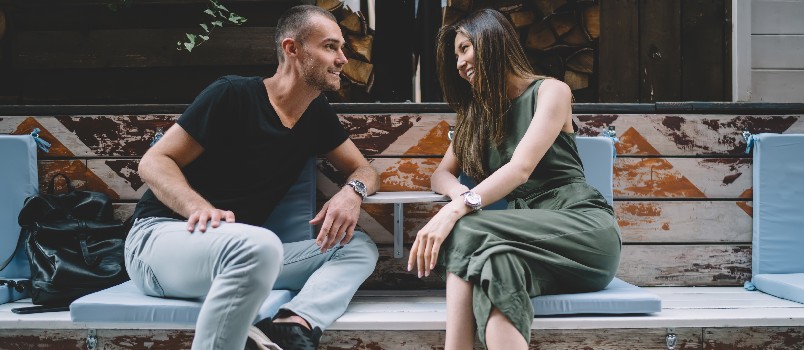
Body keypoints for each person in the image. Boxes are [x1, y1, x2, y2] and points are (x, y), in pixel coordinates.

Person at [125, 5, 380, 350]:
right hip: (161, 242)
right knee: (259, 246)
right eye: (330, 47)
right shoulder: (232, 94)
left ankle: (293, 326)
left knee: (356, 247)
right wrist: (198, 208)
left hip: (246, 256)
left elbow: (364, 169)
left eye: (343, 49)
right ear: (292, 49)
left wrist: (352, 192)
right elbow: (154, 162)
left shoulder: (315, 113)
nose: (343, 60)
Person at [407, 9, 622, 350]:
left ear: (493, 39)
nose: (460, 62)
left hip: (583, 229)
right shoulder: (474, 116)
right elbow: (440, 174)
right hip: (526, 240)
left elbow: (521, 167)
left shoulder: (551, 92)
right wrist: (458, 191)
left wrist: (457, 209)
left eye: (465, 48)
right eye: (455, 56)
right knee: (495, 263)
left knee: (465, 228)